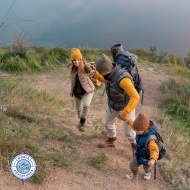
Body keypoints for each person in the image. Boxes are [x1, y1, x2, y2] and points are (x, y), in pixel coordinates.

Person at [90, 54, 140, 155]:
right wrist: (97, 76)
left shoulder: (123, 79)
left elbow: (135, 97)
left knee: (129, 132)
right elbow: (108, 82)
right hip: (113, 104)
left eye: (100, 72)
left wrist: (125, 112)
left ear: (106, 71)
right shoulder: (109, 74)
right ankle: (111, 141)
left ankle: (135, 146)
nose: (100, 73)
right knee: (107, 123)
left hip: (126, 106)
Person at [125, 113, 159, 180]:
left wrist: (152, 160)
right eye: (135, 129)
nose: (135, 131)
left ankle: (148, 173)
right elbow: (132, 124)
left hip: (147, 157)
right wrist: (125, 119)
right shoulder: (139, 128)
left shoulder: (151, 139)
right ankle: (135, 176)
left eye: (137, 130)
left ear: (144, 129)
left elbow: (154, 150)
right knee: (132, 165)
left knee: (147, 167)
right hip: (138, 154)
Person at [69, 48, 95, 132]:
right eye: (74, 60)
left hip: (87, 90)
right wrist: (71, 90)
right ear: (72, 61)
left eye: (78, 60)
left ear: (81, 59)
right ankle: (81, 119)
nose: (76, 62)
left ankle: (82, 123)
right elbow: (72, 81)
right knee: (78, 111)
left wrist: (91, 71)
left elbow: (88, 69)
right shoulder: (72, 68)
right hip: (77, 92)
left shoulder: (84, 65)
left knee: (86, 105)